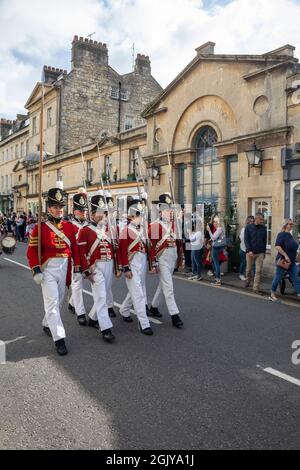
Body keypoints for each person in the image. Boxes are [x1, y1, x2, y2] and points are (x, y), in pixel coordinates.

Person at [27, 184, 81, 356]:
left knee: (57, 302)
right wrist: (36, 270)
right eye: (55, 207)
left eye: (61, 207)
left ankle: (46, 324)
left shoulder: (70, 227)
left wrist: (78, 267)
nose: (59, 210)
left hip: (64, 268)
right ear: (48, 208)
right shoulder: (40, 227)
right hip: (48, 269)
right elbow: (31, 250)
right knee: (51, 304)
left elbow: (75, 250)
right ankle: (59, 339)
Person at [77, 194, 119, 343]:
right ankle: (106, 328)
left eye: (104, 213)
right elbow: (81, 253)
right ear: (93, 214)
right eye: (100, 213)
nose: (103, 216)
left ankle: (93, 318)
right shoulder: (85, 230)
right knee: (101, 297)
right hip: (95, 267)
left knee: (103, 293)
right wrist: (86, 270)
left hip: (108, 264)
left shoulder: (108, 230)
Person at [119, 197, 156, 335]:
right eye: (139, 215)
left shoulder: (143, 230)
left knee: (136, 290)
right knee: (139, 294)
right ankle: (143, 323)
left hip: (142, 263)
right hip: (132, 263)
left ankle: (124, 310)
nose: (141, 218)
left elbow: (149, 247)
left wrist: (153, 263)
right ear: (132, 216)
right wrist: (126, 267)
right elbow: (122, 251)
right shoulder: (125, 230)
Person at [148, 193, 184, 328]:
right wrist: (153, 262)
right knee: (169, 287)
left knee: (163, 285)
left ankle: (154, 307)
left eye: (171, 210)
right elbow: (151, 246)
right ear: (160, 211)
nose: (170, 212)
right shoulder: (155, 226)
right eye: (167, 210)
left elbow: (178, 243)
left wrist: (180, 258)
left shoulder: (174, 225)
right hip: (162, 258)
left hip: (172, 258)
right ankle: (175, 315)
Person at [68, 189, 89, 325]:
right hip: (74, 259)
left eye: (85, 210)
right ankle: (80, 312)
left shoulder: (88, 225)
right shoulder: (69, 225)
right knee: (77, 284)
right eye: (81, 210)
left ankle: (71, 303)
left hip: (88, 258)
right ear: (75, 211)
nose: (84, 213)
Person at [269, 219, 300, 302]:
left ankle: (299, 294)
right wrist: (286, 256)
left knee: (296, 279)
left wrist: (296, 256)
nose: (291, 226)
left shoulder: (290, 235)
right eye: (290, 224)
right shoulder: (281, 234)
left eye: (292, 224)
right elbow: (277, 247)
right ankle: (272, 294)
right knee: (278, 278)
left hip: (292, 262)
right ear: (285, 225)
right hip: (283, 261)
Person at [244, 212, 267, 295]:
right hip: (250, 252)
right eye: (261, 219)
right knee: (248, 269)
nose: (262, 221)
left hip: (260, 253)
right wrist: (249, 250)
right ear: (256, 219)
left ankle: (255, 288)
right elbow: (246, 240)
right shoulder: (248, 227)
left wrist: (264, 252)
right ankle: (248, 280)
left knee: (258, 271)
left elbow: (265, 241)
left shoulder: (264, 228)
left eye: (262, 219)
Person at [206, 216, 226, 287]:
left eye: (216, 221)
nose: (214, 223)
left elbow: (213, 237)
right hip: (219, 247)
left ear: (219, 222)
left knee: (215, 263)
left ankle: (218, 280)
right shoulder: (222, 228)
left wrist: (209, 230)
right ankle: (217, 278)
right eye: (214, 221)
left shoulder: (219, 229)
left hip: (216, 247)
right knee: (214, 262)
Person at [187, 214, 204, 281]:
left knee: (197, 261)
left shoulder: (199, 232)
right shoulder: (196, 232)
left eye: (195, 224)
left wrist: (189, 233)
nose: (193, 225)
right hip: (194, 247)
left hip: (196, 248)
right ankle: (194, 274)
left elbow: (192, 239)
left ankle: (199, 275)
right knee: (193, 261)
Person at [239, 216, 255, 281]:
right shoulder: (244, 229)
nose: (252, 223)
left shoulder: (253, 229)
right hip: (244, 249)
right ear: (248, 222)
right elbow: (242, 239)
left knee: (253, 264)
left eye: (253, 221)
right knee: (244, 262)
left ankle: (253, 276)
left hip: (251, 250)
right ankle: (241, 274)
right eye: (251, 221)